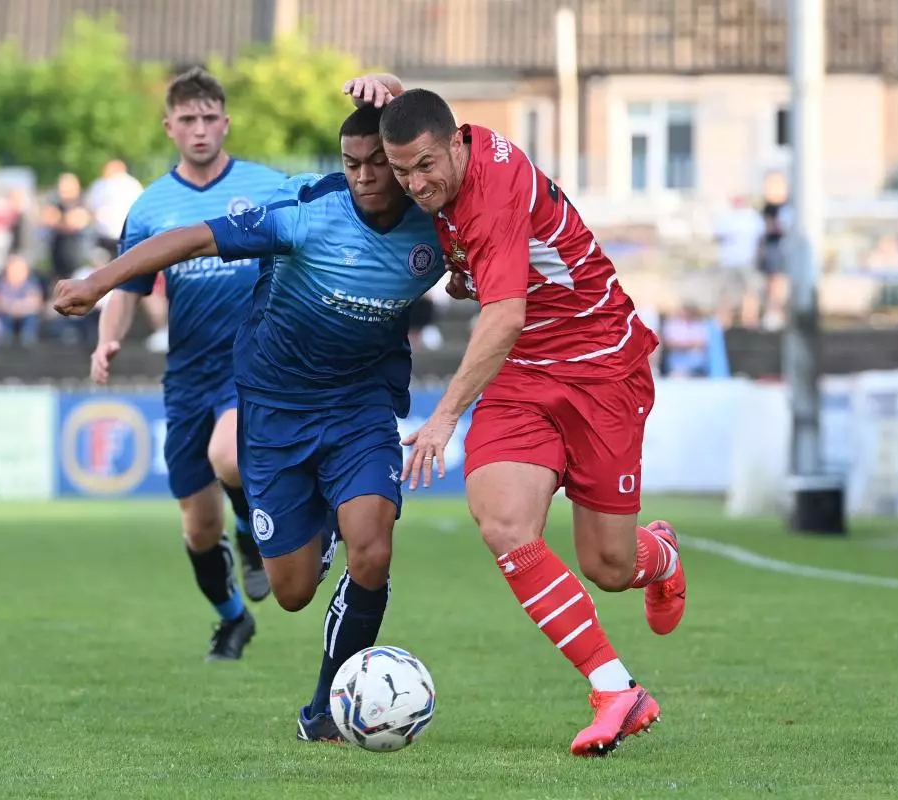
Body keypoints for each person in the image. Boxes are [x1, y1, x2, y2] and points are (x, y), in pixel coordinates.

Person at [52, 101, 445, 742]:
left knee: (372, 551)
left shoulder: (435, 223)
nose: (368, 176)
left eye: (380, 162)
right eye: (353, 164)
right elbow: (195, 237)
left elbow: (473, 179)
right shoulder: (306, 211)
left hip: (360, 405)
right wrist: (99, 282)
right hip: (276, 410)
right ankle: (314, 532)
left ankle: (324, 712)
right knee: (290, 592)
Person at [352, 74, 686, 757]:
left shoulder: (495, 185)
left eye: (425, 167)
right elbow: (497, 297)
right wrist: (390, 88)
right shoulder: (449, 156)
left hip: (600, 364)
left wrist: (443, 418)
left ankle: (663, 555)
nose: (414, 185)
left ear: (456, 146)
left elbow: (505, 313)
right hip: (523, 371)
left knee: (610, 565)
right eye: (402, 171)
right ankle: (615, 688)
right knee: (503, 521)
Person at [89, 67, 285, 661]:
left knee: (228, 455)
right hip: (187, 377)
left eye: (209, 119)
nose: (200, 130)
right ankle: (233, 619)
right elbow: (127, 285)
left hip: (250, 363)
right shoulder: (151, 206)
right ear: (169, 126)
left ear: (225, 123)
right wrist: (107, 339)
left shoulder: (268, 186)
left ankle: (254, 536)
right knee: (198, 529)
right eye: (188, 120)